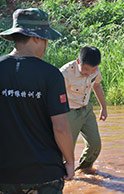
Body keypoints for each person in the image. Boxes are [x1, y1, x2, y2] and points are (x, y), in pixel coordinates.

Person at [0, 8, 74, 193]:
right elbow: (61, 128)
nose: (46, 45)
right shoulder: (50, 75)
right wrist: (70, 162)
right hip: (44, 175)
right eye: (46, 39)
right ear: (36, 37)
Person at [60, 46, 107, 172]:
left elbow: (96, 86)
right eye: (86, 69)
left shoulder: (94, 70)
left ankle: (83, 170)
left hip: (86, 110)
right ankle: (61, 177)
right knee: (66, 149)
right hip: (68, 112)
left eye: (93, 69)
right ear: (78, 62)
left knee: (95, 145)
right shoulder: (65, 73)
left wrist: (104, 107)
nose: (89, 73)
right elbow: (56, 95)